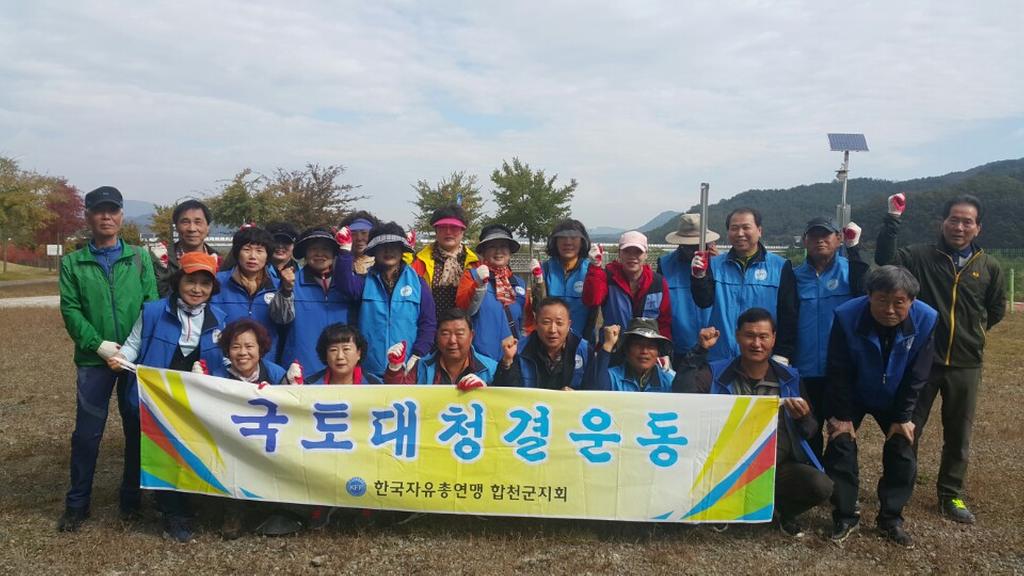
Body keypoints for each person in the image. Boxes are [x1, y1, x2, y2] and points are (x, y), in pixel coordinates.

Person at [874, 193, 1006, 524]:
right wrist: (892, 221)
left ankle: (951, 494)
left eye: (967, 222)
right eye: (953, 220)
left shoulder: (988, 267)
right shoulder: (919, 257)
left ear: (978, 228)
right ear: (942, 223)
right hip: (923, 360)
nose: (959, 227)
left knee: (959, 434)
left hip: (966, 363)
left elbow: (995, 309)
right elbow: (885, 260)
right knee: (907, 427)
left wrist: (973, 333)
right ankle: (900, 489)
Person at [675, 308, 832, 538]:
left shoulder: (789, 378)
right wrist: (699, 351)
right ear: (737, 337)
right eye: (749, 336)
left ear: (773, 339)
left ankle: (782, 511)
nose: (756, 344)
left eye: (763, 336)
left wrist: (804, 417)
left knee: (821, 486)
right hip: (722, 467)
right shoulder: (716, 373)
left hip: (775, 465)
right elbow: (683, 394)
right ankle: (722, 508)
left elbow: (809, 430)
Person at [57, 186, 158, 532]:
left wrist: (129, 350)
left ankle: (131, 500)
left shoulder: (139, 257)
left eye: (112, 210)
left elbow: (150, 305)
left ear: (121, 215)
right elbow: (71, 310)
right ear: (88, 216)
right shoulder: (73, 262)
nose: (106, 217)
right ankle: (77, 504)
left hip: (133, 360)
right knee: (87, 434)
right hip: (93, 360)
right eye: (99, 211)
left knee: (136, 429)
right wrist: (98, 345)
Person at [110, 251, 228, 542]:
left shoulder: (219, 319)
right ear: (178, 282)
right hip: (155, 399)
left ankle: (184, 502)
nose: (197, 289)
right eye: (191, 281)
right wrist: (121, 358)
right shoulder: (153, 312)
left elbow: (225, 359)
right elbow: (133, 344)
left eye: (205, 283)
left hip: (192, 402)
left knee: (186, 451)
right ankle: (169, 512)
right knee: (156, 450)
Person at [823, 265, 938, 548]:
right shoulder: (846, 315)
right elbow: (838, 368)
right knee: (840, 442)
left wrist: (903, 416)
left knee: (903, 446)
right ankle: (845, 515)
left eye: (899, 303)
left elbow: (919, 373)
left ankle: (891, 518)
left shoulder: (927, 319)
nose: (889, 309)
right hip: (856, 389)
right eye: (882, 300)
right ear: (869, 296)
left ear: (912, 301)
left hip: (898, 392)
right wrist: (843, 416)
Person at [792, 216, 869, 457]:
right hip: (804, 371)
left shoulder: (852, 271)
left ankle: (840, 480)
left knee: (842, 434)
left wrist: (855, 250)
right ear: (805, 241)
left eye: (826, 235)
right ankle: (813, 479)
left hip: (841, 371)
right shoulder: (793, 276)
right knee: (807, 434)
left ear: (838, 239)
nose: (820, 240)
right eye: (813, 235)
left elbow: (866, 298)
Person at [205, 318, 286, 539]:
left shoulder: (277, 373)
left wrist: (293, 385)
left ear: (261, 349)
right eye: (236, 346)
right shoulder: (216, 377)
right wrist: (198, 381)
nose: (243, 353)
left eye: (249, 346)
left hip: (269, 440)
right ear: (227, 350)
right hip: (231, 443)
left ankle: (275, 508)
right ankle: (233, 511)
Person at [691, 207, 798, 364]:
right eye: (734, 228)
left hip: (763, 358)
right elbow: (703, 301)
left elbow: (788, 314)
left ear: (759, 231)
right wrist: (698, 277)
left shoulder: (779, 267)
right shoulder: (714, 265)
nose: (740, 233)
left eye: (746, 227)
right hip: (721, 358)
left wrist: (782, 354)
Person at [334, 222, 436, 379]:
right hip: (369, 371)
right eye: (383, 247)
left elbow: (428, 324)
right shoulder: (364, 282)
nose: (389, 251)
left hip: (408, 370)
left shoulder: (418, 283)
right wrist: (345, 251)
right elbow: (344, 285)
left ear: (402, 250)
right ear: (374, 251)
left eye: (394, 246)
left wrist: (418, 355)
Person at [270, 227, 355, 375]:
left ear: (334, 253)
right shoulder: (290, 283)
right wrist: (286, 290)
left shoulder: (348, 286)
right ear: (305, 253)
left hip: (342, 371)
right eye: (314, 249)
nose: (319, 254)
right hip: (301, 370)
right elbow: (279, 319)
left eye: (325, 249)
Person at [582, 230, 672, 351]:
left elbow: (664, 322)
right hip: (613, 348)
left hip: (645, 351)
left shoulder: (658, 283)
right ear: (619, 253)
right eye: (627, 251)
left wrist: (663, 351)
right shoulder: (608, 277)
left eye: (638, 252)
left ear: (646, 254)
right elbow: (592, 300)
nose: (632, 256)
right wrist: (595, 268)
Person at [456, 223, 533, 362]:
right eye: (492, 246)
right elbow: (464, 310)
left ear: (510, 252)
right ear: (484, 252)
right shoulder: (472, 276)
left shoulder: (518, 284)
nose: (498, 252)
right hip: (480, 359)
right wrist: (478, 285)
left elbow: (526, 323)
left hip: (512, 359)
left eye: (503, 246)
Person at [383, 308, 509, 388]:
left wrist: (486, 393)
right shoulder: (421, 367)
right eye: (445, 334)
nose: (452, 341)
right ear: (436, 336)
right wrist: (395, 368)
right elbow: (400, 399)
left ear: (471, 336)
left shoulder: (490, 369)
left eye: (459, 334)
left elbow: (503, 407)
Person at [657, 213, 720, 367]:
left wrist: (718, 264)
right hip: (679, 349)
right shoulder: (665, 265)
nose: (694, 250)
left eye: (698, 245)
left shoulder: (720, 263)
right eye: (689, 245)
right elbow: (660, 310)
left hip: (715, 346)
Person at [211, 226, 281, 359]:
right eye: (247, 250)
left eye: (259, 251)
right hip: (225, 360)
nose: (253, 256)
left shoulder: (279, 287)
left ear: (267, 256)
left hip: (266, 360)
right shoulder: (217, 283)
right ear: (237, 253)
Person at [493, 297, 591, 390]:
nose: (552, 330)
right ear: (536, 324)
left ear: (569, 325)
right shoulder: (519, 350)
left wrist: (576, 396)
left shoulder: (584, 350)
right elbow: (505, 393)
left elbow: (595, 390)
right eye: (546, 322)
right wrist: (507, 361)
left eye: (559, 323)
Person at [409, 204, 479, 319]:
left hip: (464, 327)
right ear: (436, 231)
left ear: (463, 231)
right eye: (442, 227)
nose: (448, 232)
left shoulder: (476, 263)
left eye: (454, 227)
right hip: (429, 325)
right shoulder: (419, 261)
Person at [530, 219, 596, 341]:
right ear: (555, 242)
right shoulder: (545, 269)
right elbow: (538, 308)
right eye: (562, 238)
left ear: (582, 242)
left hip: (581, 341)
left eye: (574, 237)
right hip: (551, 341)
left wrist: (586, 343)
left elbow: (594, 312)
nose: (568, 242)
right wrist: (539, 283)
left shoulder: (591, 271)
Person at [151, 199, 221, 297]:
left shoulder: (219, 261)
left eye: (198, 222)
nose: (192, 229)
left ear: (208, 227)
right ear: (176, 227)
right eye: (185, 222)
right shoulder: (159, 260)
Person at [587, 317, 676, 393]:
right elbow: (596, 394)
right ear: (626, 349)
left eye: (651, 346)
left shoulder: (670, 380)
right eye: (638, 345)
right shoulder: (612, 377)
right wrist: (607, 345)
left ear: (658, 352)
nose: (644, 351)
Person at [306, 323, 379, 385]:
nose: (340, 356)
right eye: (333, 350)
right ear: (325, 355)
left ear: (358, 353)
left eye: (346, 349)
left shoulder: (375, 385)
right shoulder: (309, 385)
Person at [338, 210, 381, 275]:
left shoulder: (383, 264)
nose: (359, 238)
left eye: (364, 233)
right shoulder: (338, 263)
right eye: (353, 234)